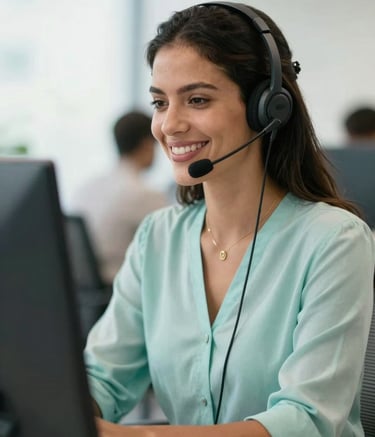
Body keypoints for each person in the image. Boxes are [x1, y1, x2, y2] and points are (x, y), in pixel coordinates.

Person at [84, 3, 375, 436]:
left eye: (197, 99)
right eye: (160, 102)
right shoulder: (158, 238)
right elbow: (103, 375)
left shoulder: (334, 241)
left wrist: (136, 435)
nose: (170, 124)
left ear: (267, 107)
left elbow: (306, 420)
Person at [71, 110, 169, 285]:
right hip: (118, 290)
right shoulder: (143, 194)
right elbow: (171, 249)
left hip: (83, 293)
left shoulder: (87, 187)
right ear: (146, 144)